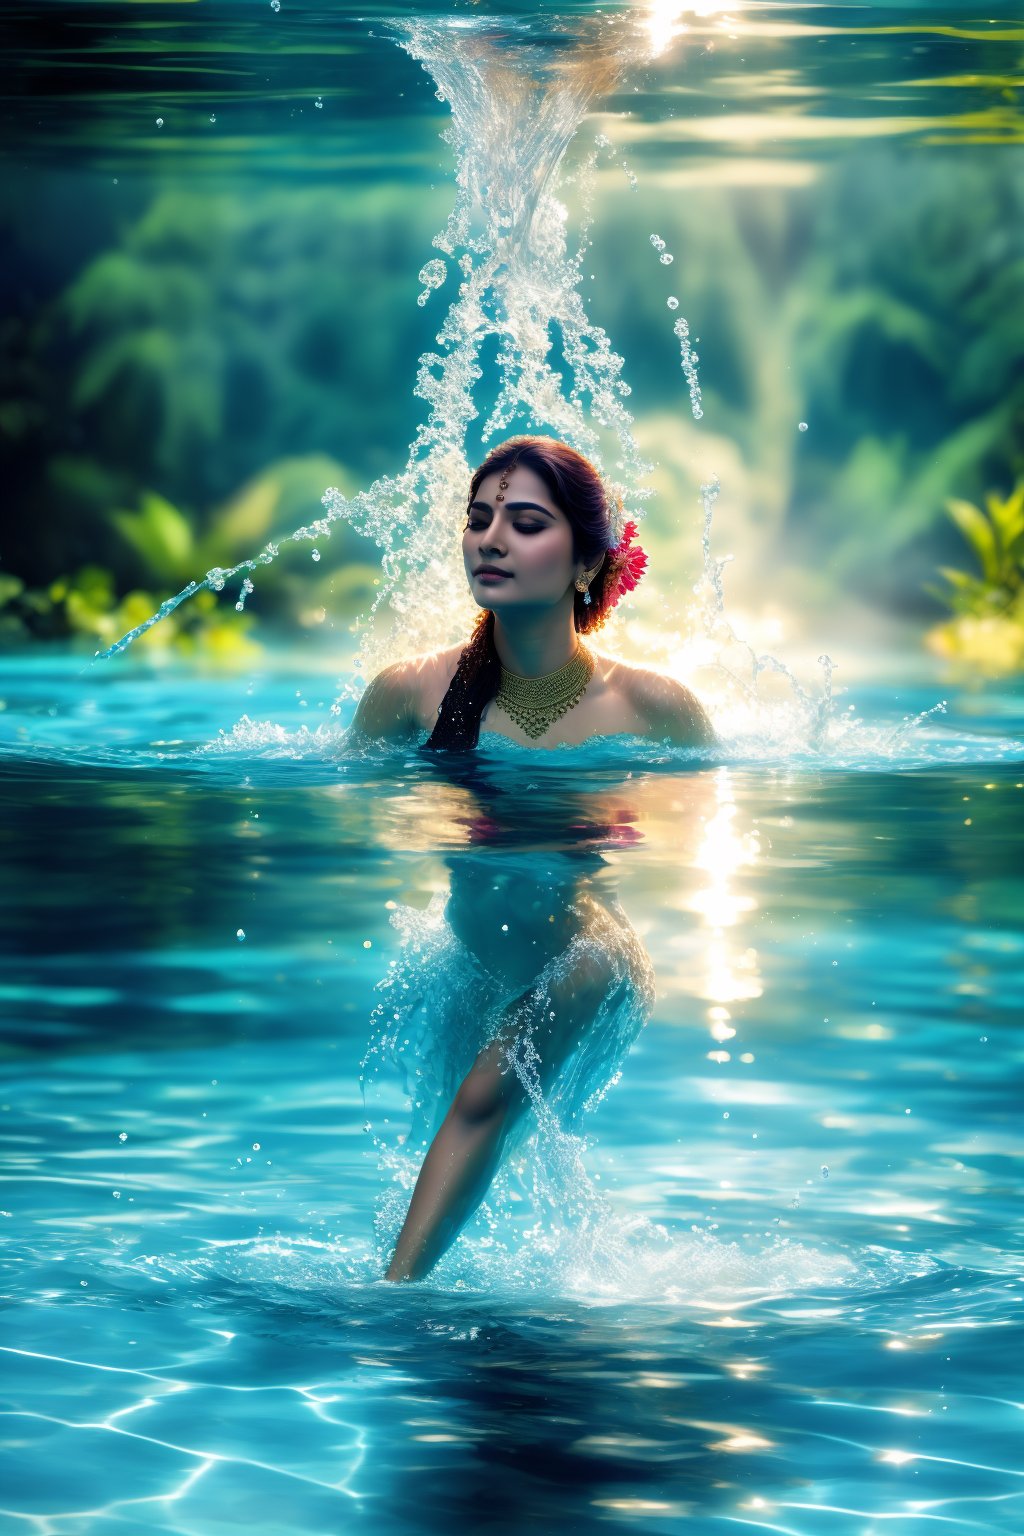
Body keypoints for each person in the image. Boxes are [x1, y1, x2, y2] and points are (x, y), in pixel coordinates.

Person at [346, 435, 717, 1282]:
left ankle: (391, 1305)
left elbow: (707, 828)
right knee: (449, 1135)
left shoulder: (652, 707)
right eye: (479, 519)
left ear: (588, 561)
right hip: (473, 957)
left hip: (588, 959)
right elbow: (350, 803)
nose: (492, 539)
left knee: (482, 1098)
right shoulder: (409, 694)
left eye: (525, 522)